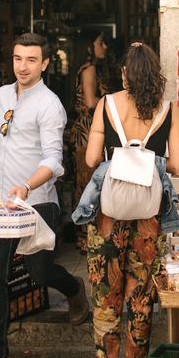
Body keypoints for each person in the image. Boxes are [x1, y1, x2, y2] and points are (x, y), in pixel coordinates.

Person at [0, 33, 90, 358]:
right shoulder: (3, 96)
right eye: (18, 58)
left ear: (45, 64)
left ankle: (73, 288)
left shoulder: (50, 105)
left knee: (39, 271)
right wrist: (1, 190)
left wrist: (27, 186)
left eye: (31, 60)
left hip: (37, 200)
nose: (23, 66)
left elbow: (54, 159)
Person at [82, 42, 179, 358]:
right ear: (154, 75)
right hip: (148, 216)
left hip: (110, 214)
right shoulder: (168, 108)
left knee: (105, 293)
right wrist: (148, 157)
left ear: (125, 74)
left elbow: (91, 159)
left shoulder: (107, 105)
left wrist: (119, 153)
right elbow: (177, 166)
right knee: (141, 296)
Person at [69, 32, 109, 250]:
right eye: (99, 42)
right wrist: (112, 99)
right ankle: (86, 235)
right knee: (88, 180)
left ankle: (84, 233)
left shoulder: (85, 68)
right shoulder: (90, 69)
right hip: (88, 128)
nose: (104, 47)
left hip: (84, 127)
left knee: (83, 180)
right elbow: (91, 101)